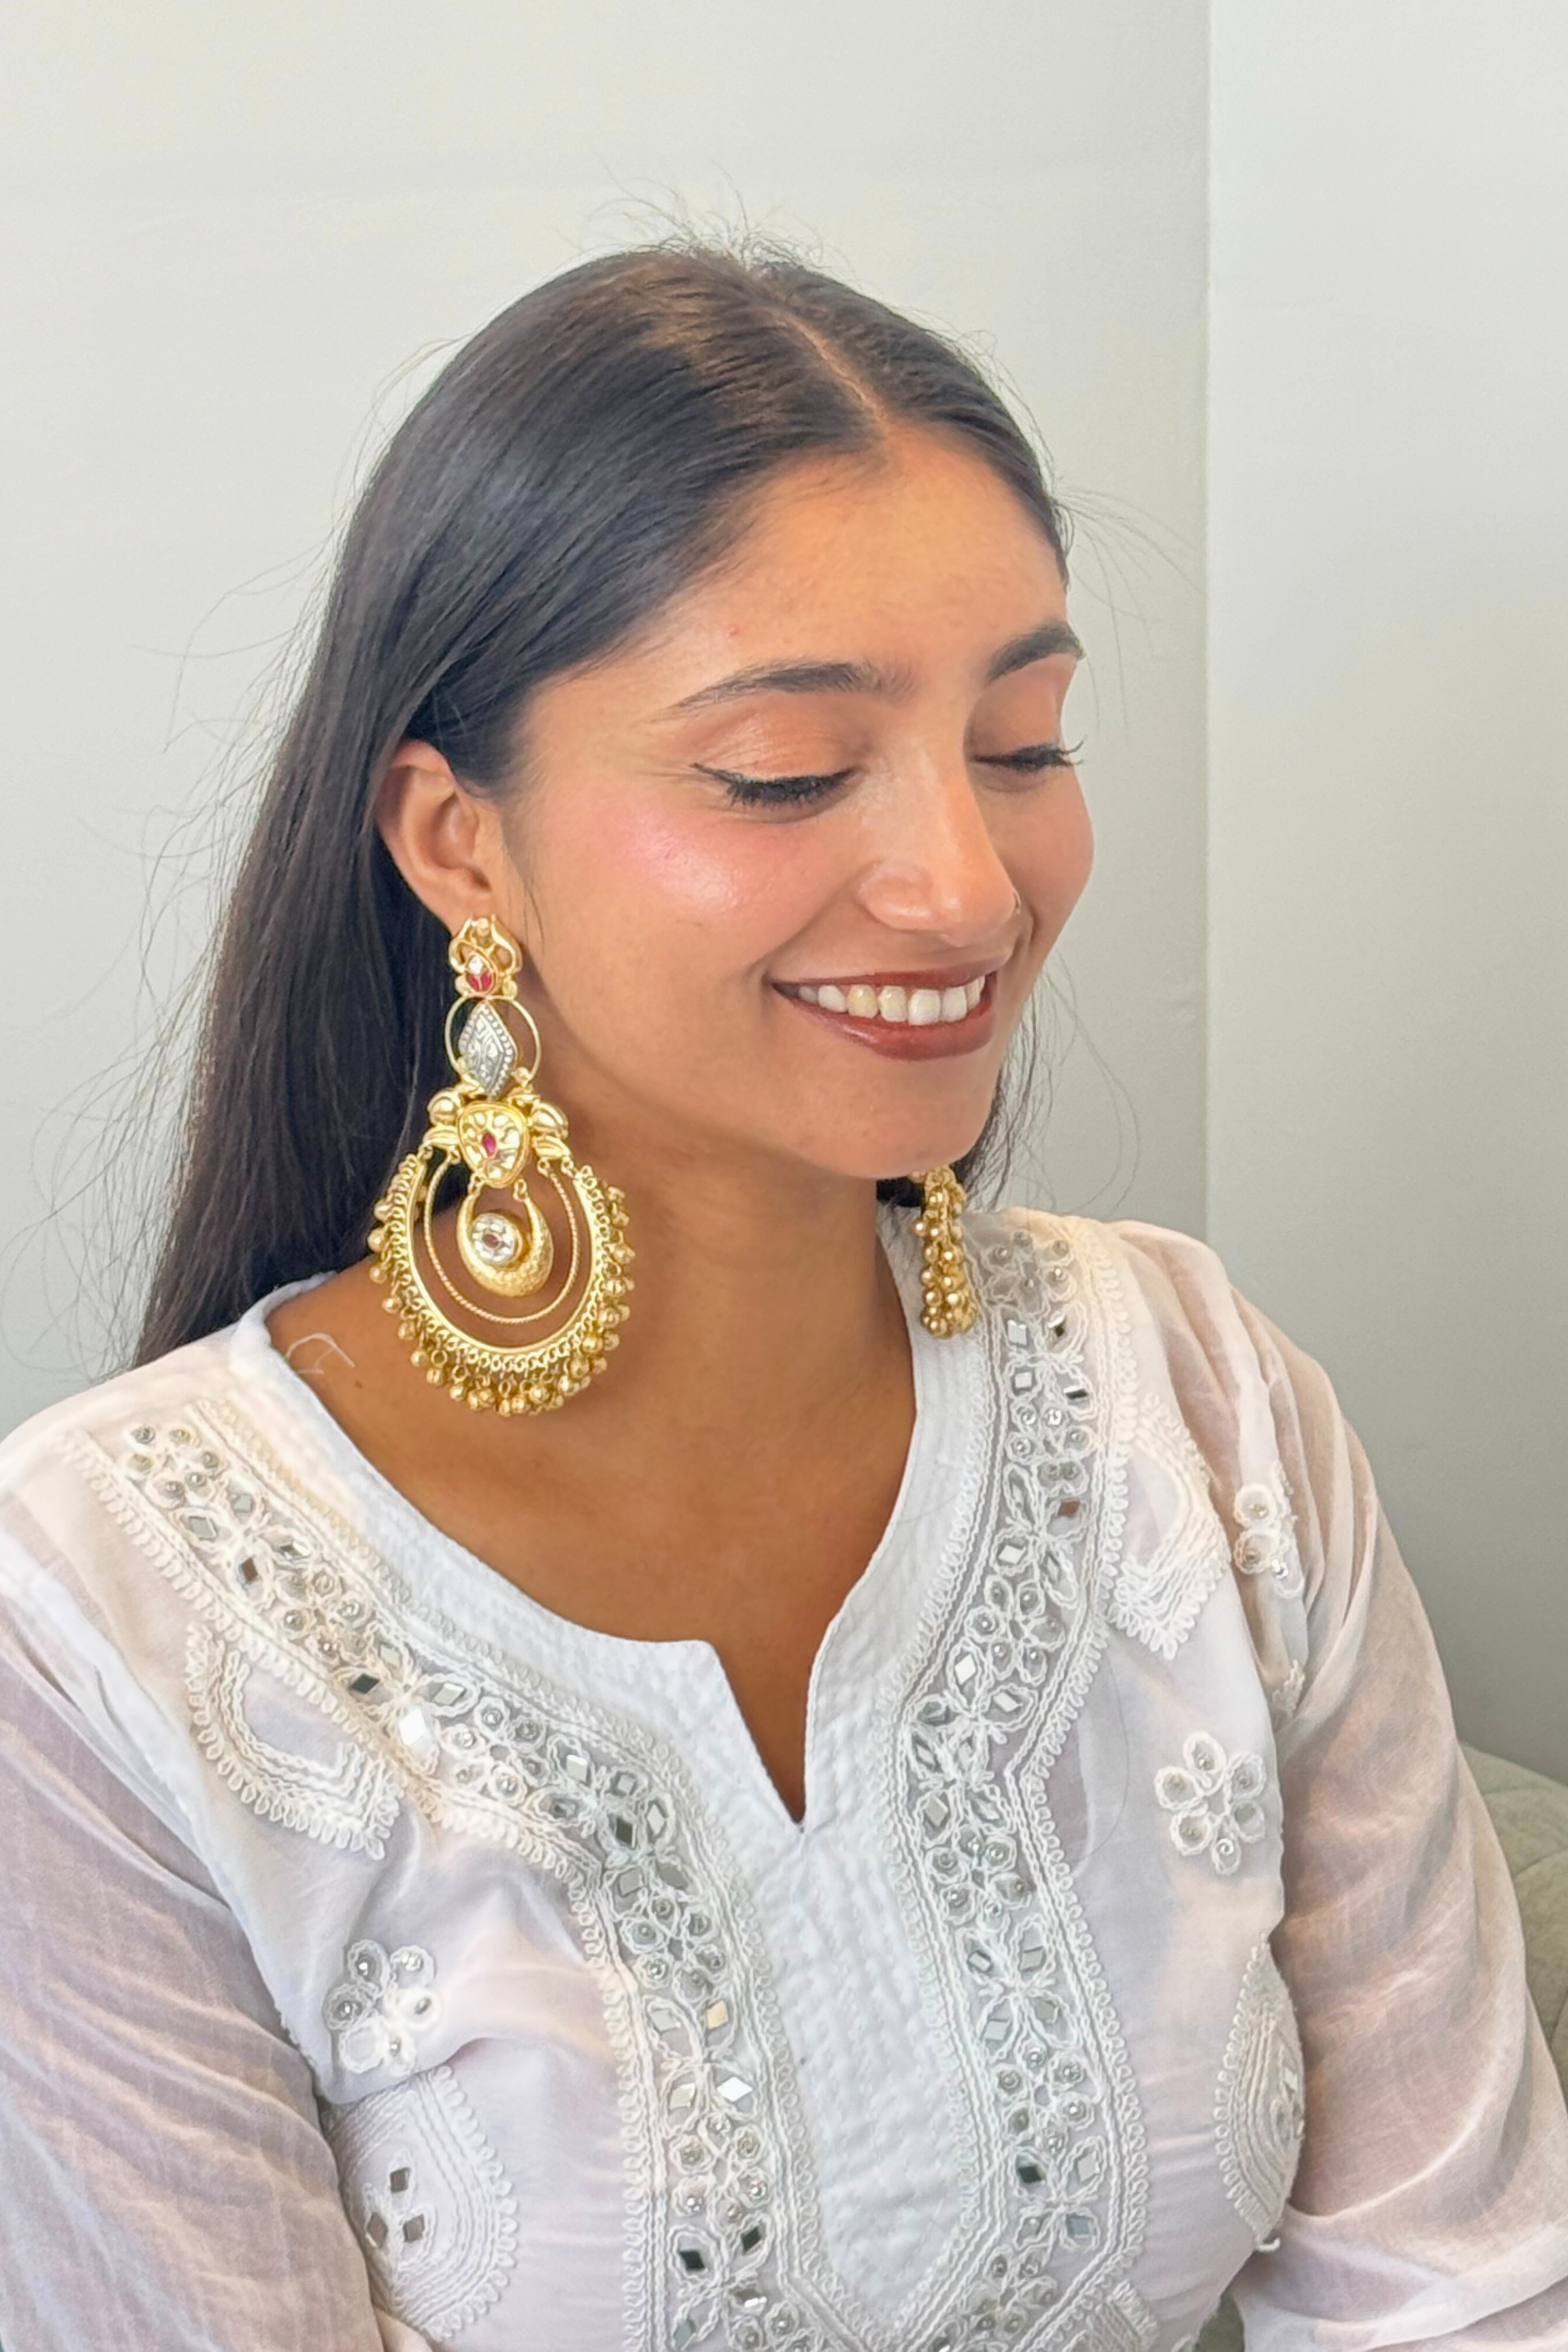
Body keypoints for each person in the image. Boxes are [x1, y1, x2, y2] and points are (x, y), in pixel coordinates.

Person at [0, 238, 1563, 2352]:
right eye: (789, 773)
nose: (971, 882)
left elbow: (1460, 2286)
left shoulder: (1204, 1405)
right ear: (460, 845)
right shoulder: (104, 1619)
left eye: (1024, 740)